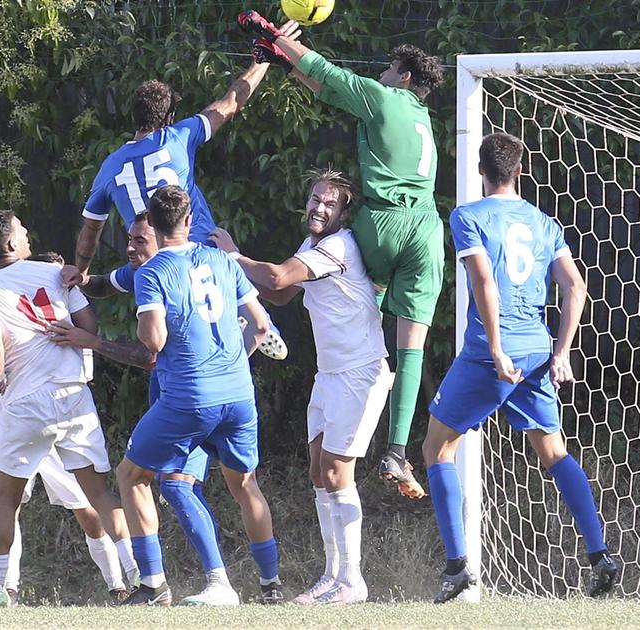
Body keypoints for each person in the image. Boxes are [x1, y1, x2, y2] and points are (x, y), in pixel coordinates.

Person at [246, 11, 445, 497]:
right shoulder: (422, 118)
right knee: (411, 345)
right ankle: (398, 450)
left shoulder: (383, 97)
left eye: (387, 68)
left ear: (404, 76)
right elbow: (329, 90)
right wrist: (284, 61)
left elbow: (333, 76)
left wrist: (275, 36)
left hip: (384, 223)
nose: (379, 72)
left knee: (348, 272)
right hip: (427, 229)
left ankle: (359, 371)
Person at [420, 133, 619, 603]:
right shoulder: (545, 223)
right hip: (536, 349)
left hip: (495, 353)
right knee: (554, 452)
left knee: (436, 448)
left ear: (479, 170)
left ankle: (456, 567)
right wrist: (562, 352)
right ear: (521, 170)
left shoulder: (467, 216)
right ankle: (599, 555)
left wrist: (494, 348)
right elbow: (576, 287)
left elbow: (485, 280)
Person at [210, 168, 390, 605]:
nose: (319, 207)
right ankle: (332, 578)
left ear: (344, 212)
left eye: (330, 203)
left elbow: (274, 279)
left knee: (335, 472)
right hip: (330, 374)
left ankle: (353, 581)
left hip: (360, 370)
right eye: (315, 199)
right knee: (318, 473)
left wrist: (234, 257)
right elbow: (281, 293)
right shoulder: (311, 245)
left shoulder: (338, 245)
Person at [66, 30, 295, 359]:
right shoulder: (178, 137)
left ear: (134, 117)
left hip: (152, 265)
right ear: (170, 118)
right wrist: (264, 59)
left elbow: (91, 231)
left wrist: (81, 268)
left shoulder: (110, 166)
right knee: (236, 284)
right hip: (201, 248)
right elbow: (230, 103)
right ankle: (245, 318)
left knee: (167, 345)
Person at [50, 217, 234, 605]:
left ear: (165, 239)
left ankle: (206, 583)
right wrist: (80, 277)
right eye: (129, 239)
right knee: (146, 479)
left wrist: (92, 342)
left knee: (170, 484)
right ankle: (160, 584)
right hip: (180, 395)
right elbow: (103, 284)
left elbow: (148, 355)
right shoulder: (146, 270)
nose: (130, 247)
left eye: (139, 240)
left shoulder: (165, 275)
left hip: (195, 395)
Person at [118, 185, 281, 606]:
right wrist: (235, 363)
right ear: (190, 221)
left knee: (132, 476)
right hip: (238, 392)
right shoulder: (222, 260)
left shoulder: (152, 273)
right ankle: (270, 586)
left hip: (190, 397)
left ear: (152, 225)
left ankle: (153, 584)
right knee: (244, 484)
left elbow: (153, 342)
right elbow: (261, 326)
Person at [0, 211, 133, 608]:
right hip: (72, 394)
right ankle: (143, 577)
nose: (27, 234)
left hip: (25, 403)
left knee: (7, 499)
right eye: (22, 231)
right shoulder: (54, 273)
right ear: (10, 245)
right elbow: (88, 326)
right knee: (99, 494)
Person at [0, 334, 131, 604]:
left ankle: (119, 585)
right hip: (20, 427)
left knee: (88, 511)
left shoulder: (59, 314)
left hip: (59, 429)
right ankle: (4, 590)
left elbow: (85, 366)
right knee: (9, 505)